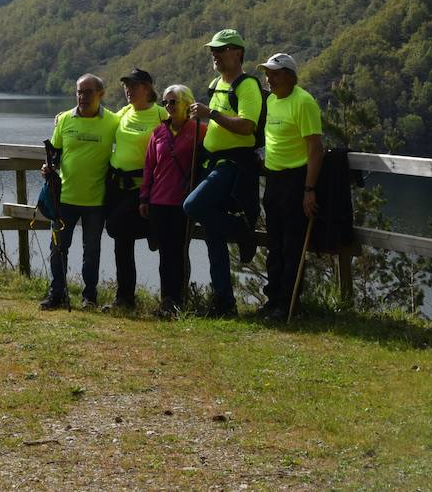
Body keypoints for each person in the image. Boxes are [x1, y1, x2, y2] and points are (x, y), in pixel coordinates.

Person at [183, 29, 263, 316]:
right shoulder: (215, 84)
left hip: (234, 164)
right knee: (213, 235)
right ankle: (224, 303)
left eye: (221, 50)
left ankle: (243, 232)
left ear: (238, 52)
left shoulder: (247, 86)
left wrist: (211, 114)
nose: (214, 55)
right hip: (213, 163)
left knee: (193, 205)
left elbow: (247, 126)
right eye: (212, 50)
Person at [42, 74, 119, 311]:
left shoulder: (114, 122)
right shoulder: (64, 119)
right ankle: (57, 294)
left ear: (101, 94)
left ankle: (90, 297)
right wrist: (48, 167)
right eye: (79, 92)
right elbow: (54, 152)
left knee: (91, 252)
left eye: (88, 92)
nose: (82, 97)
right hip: (64, 198)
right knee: (58, 249)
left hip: (96, 201)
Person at [257, 53, 324, 321]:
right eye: (267, 73)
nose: (268, 79)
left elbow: (315, 148)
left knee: (291, 245)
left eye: (273, 73)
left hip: (296, 180)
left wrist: (309, 190)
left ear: (288, 75)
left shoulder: (303, 102)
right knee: (274, 243)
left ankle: (287, 305)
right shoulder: (272, 100)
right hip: (273, 179)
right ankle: (273, 300)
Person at [138, 84, 206, 317]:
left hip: (184, 202)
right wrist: (144, 197)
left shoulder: (200, 130)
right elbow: (149, 166)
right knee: (165, 253)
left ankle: (179, 300)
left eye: (173, 102)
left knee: (179, 251)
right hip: (158, 202)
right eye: (165, 102)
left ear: (187, 103)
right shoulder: (158, 132)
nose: (168, 107)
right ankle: (167, 300)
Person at [102, 68, 167, 312]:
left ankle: (168, 301)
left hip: (146, 191)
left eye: (134, 85)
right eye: (126, 85)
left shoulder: (161, 114)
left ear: (148, 88)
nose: (128, 90)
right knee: (122, 242)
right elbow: (101, 121)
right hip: (118, 188)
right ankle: (125, 298)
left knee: (119, 228)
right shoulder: (124, 113)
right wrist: (65, 116)